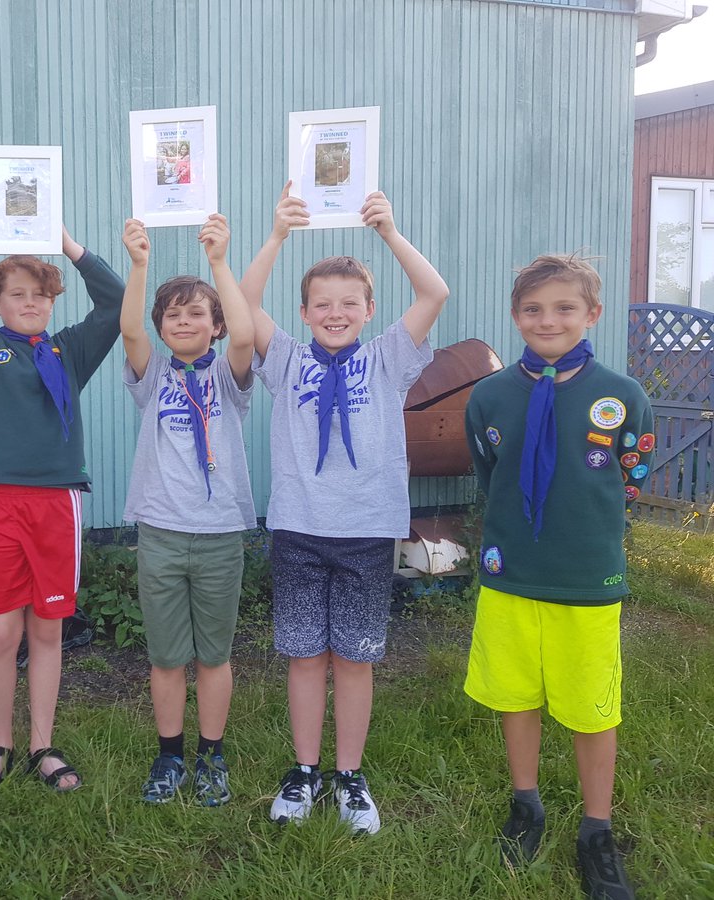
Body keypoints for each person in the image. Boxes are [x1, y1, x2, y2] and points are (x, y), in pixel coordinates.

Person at [242, 184, 449, 832]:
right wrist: (276, 235)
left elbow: (435, 293)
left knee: (355, 659)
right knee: (305, 657)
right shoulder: (286, 361)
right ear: (303, 312)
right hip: (300, 530)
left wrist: (388, 232)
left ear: (368, 309)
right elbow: (241, 302)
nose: (335, 313)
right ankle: (305, 771)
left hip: (365, 532)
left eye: (348, 303)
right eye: (322, 304)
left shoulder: (388, 358)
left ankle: (349, 775)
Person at [464, 254, 651, 899]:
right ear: (516, 316)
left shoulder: (622, 396)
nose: (549, 320)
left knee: (592, 705)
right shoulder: (488, 396)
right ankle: (527, 805)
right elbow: (489, 473)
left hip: (586, 579)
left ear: (592, 313)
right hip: (511, 573)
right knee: (518, 695)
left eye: (565, 307)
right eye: (533, 309)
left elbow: (629, 481)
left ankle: (596, 830)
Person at [0, 224, 125, 793]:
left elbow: (114, 301)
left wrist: (66, 244)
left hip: (56, 504)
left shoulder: (69, 352)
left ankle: (42, 743)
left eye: (40, 294)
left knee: (48, 630)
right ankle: (0, 744)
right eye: (17, 293)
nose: (31, 302)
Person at [119, 214, 255, 806]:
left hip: (221, 533)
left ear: (216, 325)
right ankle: (169, 753)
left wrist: (219, 264)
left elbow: (249, 337)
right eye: (171, 313)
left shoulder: (229, 376)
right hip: (162, 534)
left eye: (196, 312)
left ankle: (212, 755)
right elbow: (129, 334)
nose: (183, 320)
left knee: (214, 654)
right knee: (167, 655)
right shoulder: (153, 378)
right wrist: (139, 265)